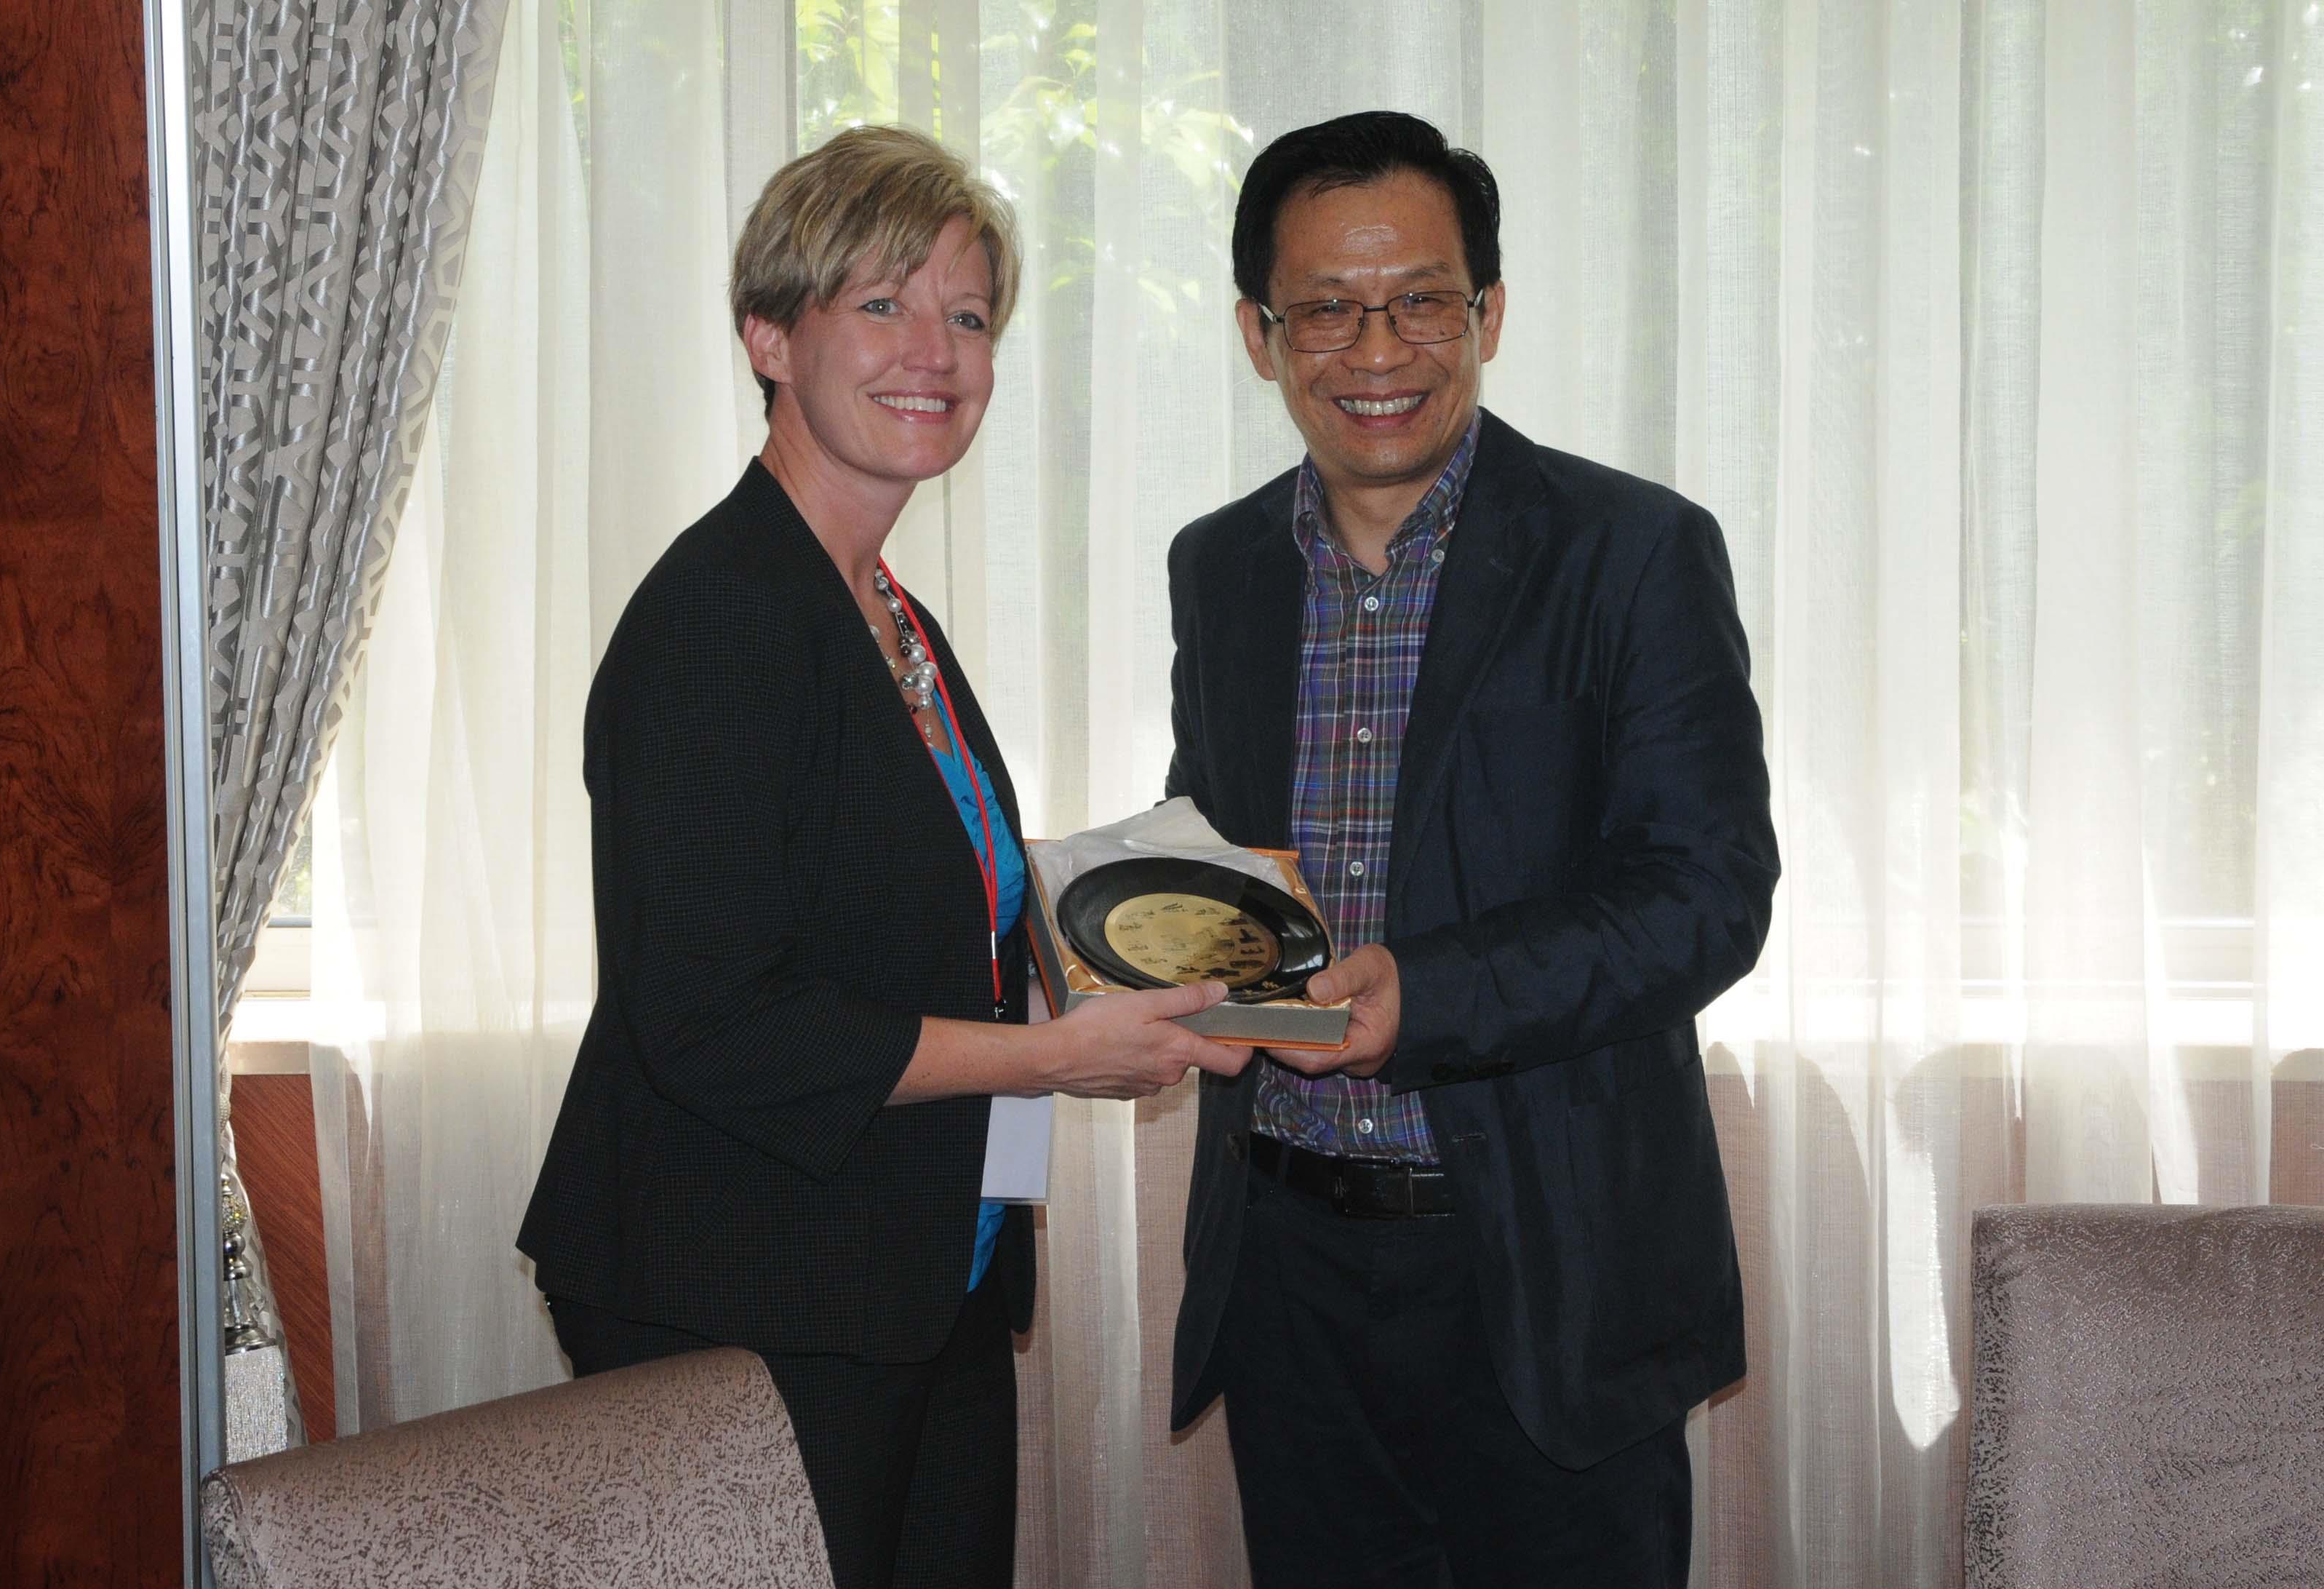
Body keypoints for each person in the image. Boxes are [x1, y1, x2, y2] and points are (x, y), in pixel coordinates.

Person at [517, 125, 1249, 1589]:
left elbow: (916, 914)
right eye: (880, 304)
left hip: (916, 1266)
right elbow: (714, 1020)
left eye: (966, 316)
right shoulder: (723, 618)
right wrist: (1054, 1060)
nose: (935, 351)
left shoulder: (880, 607)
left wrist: (1142, 973)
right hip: (748, 1291)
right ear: (768, 338)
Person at [1163, 111, 1780, 1588]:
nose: (1377, 350)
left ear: (1487, 313)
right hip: (1290, 1273)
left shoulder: (1631, 551)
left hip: (1551, 1274)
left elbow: (1705, 896)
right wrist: (1136, 932)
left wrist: (1424, 996)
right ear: (1259, 335)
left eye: (1421, 302)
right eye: (1326, 308)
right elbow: (1217, 834)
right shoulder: (1220, 565)